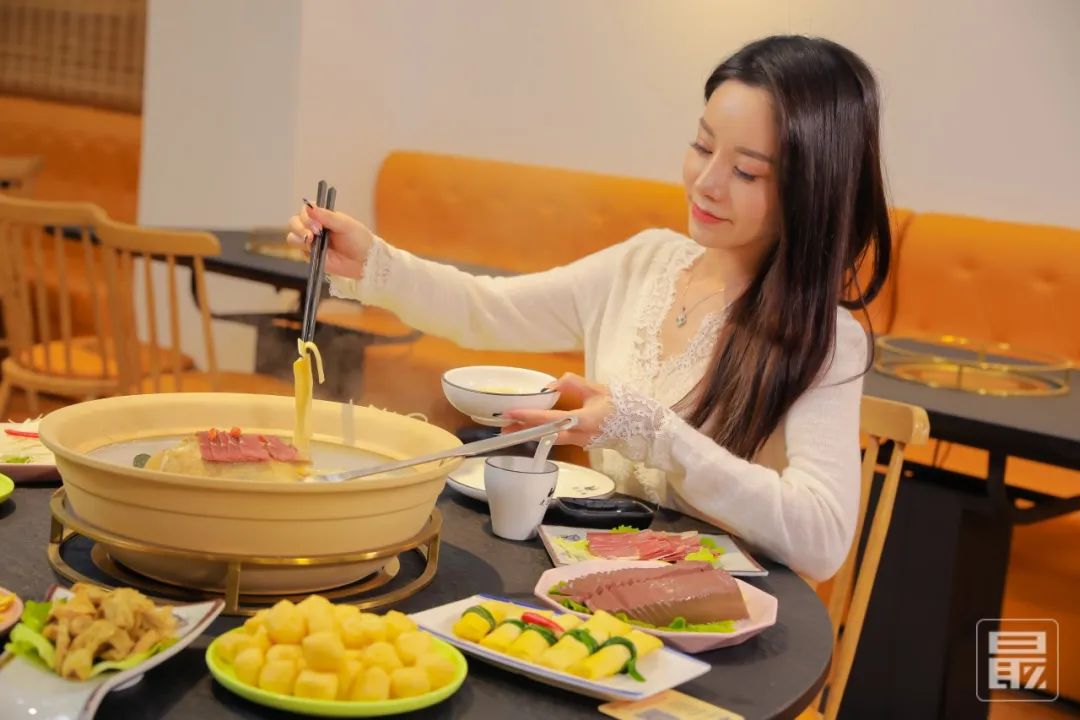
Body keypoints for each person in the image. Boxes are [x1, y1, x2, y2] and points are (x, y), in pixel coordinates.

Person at [286, 35, 891, 581]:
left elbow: (822, 539)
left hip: (716, 622)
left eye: (746, 172)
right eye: (701, 146)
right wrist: (372, 264)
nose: (706, 182)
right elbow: (487, 309)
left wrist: (653, 432)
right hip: (593, 579)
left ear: (811, 190)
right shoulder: (645, 263)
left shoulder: (826, 339)